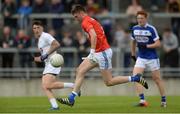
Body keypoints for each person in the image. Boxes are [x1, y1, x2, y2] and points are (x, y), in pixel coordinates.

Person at [56, 4, 148, 107]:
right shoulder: (90, 19)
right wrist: (93, 52)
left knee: (109, 82)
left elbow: (94, 36)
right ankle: (72, 97)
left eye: (76, 16)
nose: (76, 19)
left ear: (81, 13)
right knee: (79, 70)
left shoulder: (85, 22)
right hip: (98, 52)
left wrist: (91, 52)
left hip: (102, 53)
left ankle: (135, 78)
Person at [32, 21, 76, 110]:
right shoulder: (40, 39)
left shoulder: (45, 36)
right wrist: (37, 58)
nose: (36, 30)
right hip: (48, 64)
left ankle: (74, 86)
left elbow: (56, 44)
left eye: (38, 27)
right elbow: (43, 56)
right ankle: (55, 106)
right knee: (45, 86)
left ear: (42, 28)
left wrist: (46, 54)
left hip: (53, 62)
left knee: (47, 85)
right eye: (34, 28)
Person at [130, 11, 166, 107]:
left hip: (152, 58)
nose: (140, 20)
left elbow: (158, 44)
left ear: (146, 18)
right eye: (138, 18)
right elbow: (133, 42)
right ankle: (142, 101)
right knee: (135, 78)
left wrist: (146, 45)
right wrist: (133, 54)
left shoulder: (151, 29)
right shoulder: (134, 28)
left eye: (142, 18)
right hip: (141, 57)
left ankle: (163, 101)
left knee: (157, 79)